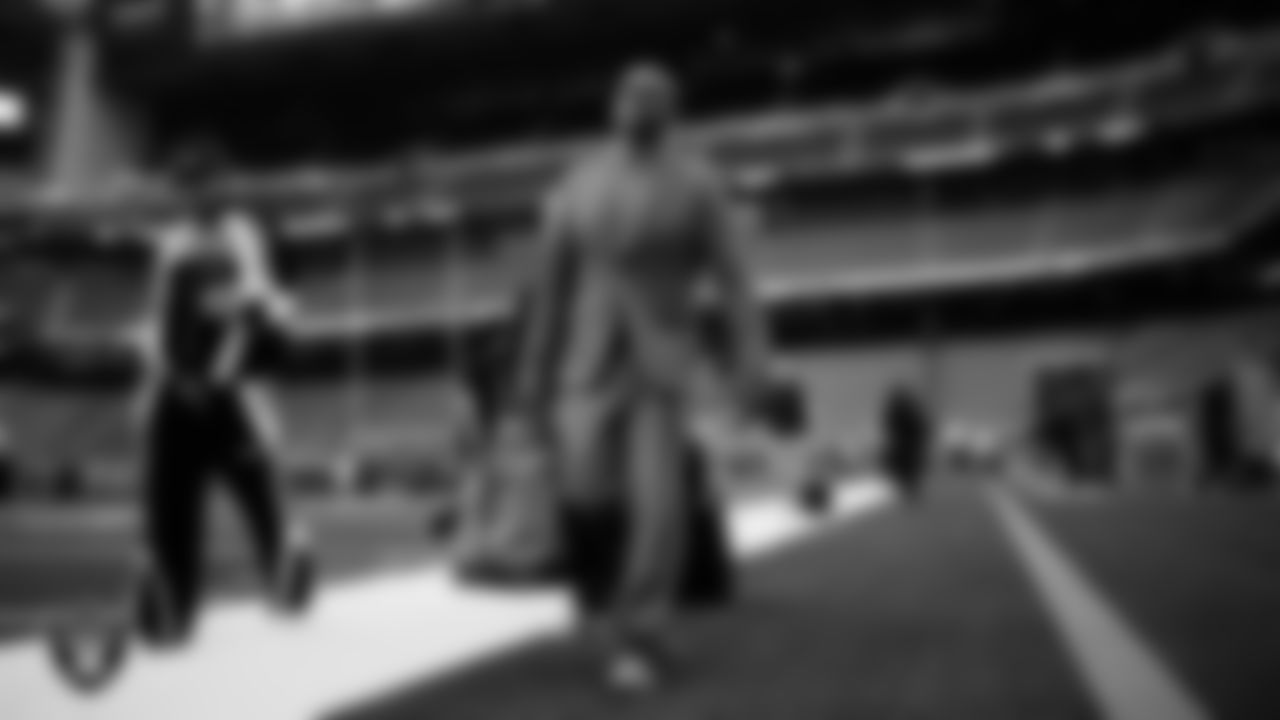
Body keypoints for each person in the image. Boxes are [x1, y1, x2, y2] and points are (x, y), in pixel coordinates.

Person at [510, 61, 771, 693]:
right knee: (588, 497)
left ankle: (640, 632)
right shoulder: (576, 183)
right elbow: (550, 290)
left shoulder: (700, 185)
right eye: (628, 93)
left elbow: (735, 281)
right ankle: (608, 610)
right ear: (612, 108)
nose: (639, 103)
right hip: (585, 364)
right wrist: (532, 377)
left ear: (672, 111)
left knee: (659, 502)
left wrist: (752, 361)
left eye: (654, 95)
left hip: (659, 364)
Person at [128, 146, 313, 644]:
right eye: (188, 185)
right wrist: (159, 382)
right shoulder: (169, 245)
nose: (198, 193)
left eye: (207, 182)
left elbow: (264, 311)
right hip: (177, 392)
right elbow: (157, 321)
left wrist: (220, 374)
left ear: (225, 183)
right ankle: (170, 607)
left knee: (260, 497)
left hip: (231, 394)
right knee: (169, 506)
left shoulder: (249, 236)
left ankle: (288, 572)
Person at [883, 384, 931, 503]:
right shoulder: (903, 413)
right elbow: (921, 429)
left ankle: (909, 493)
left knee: (907, 471)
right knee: (907, 471)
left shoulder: (902, 413)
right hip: (905, 448)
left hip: (906, 448)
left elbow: (920, 429)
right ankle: (908, 493)